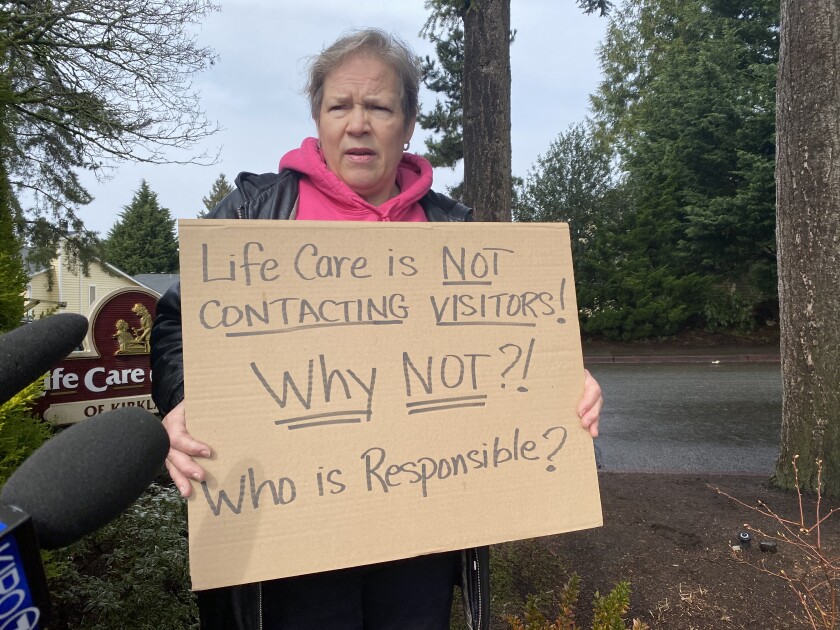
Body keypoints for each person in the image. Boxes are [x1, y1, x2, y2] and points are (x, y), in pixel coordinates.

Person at [151, 28, 603, 630]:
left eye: (379, 107)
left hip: (422, 528)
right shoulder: (253, 214)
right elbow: (178, 322)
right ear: (318, 117)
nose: (357, 123)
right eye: (340, 106)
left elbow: (507, 350)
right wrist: (183, 403)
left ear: (408, 122)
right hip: (290, 534)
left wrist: (560, 382)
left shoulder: (457, 234)